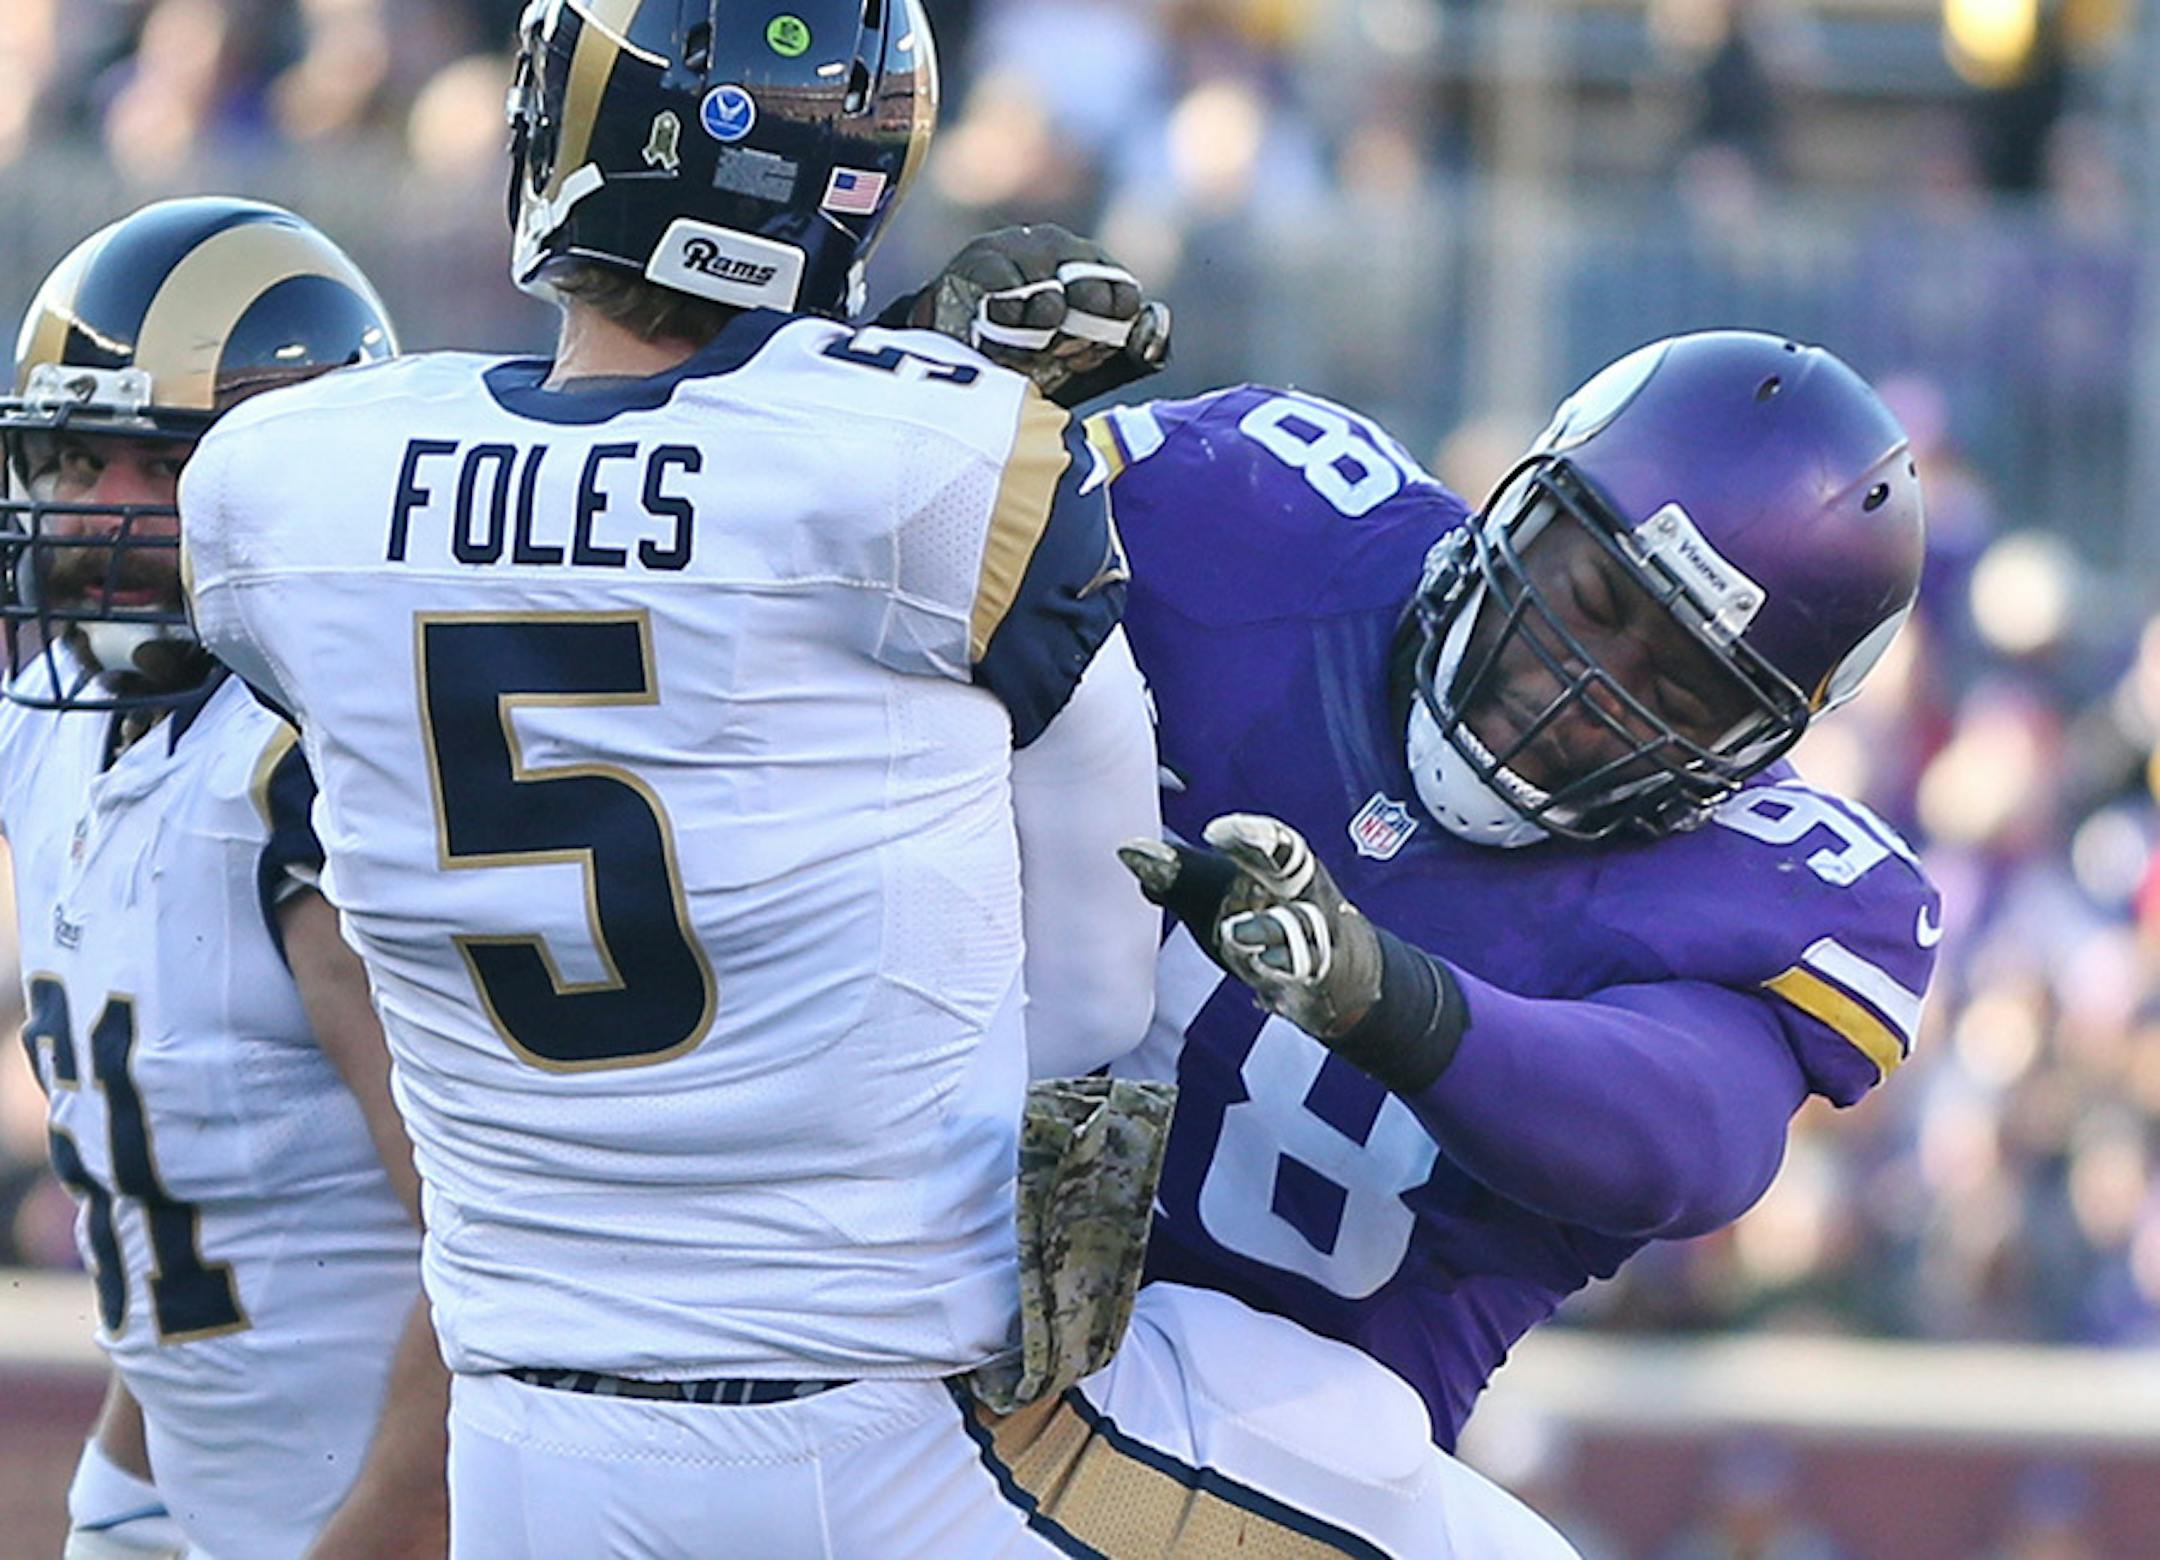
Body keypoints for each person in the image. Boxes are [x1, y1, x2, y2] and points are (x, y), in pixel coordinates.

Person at [173, 3, 1185, 1553]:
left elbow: (618, 537)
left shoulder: (280, 482)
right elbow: (1106, 960)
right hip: (876, 1416)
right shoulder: (948, 455)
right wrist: (915, 363)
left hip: (519, 1416)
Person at [1098, 333, 1939, 1453]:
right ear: (1523, 508)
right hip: (904, 1251)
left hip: (1266, 1450)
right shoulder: (1264, 515)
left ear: (1753, 746)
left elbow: (1690, 1140)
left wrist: (1386, 1001)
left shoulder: (1771, 893)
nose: (1579, 683)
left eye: (1677, 686)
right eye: (1589, 595)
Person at [0, 198, 446, 1559]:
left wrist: (380, 1530)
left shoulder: (313, 772)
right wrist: (128, 1507)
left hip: (401, 1514)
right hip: (207, 1499)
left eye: (163, 468)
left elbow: (499, 1247)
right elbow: (187, 1201)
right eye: (78, 461)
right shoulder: (53, 717)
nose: (102, 515)